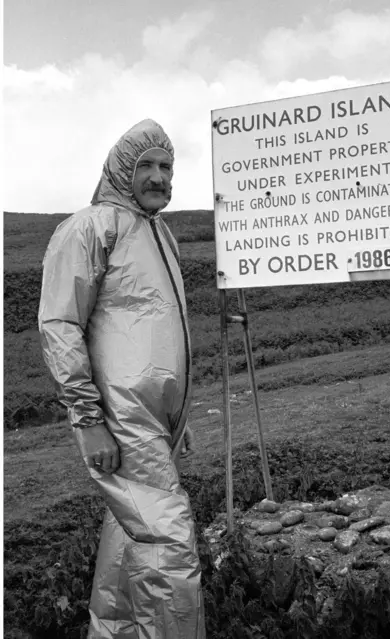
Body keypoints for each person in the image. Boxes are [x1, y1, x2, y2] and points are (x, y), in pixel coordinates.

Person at [38, 119, 206, 638]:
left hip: (157, 422)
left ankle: (112, 631)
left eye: (166, 167)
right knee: (169, 549)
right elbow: (60, 323)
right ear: (120, 171)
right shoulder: (90, 227)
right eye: (146, 167)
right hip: (121, 418)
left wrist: (178, 417)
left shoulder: (160, 232)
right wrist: (87, 419)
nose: (159, 177)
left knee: (130, 541)